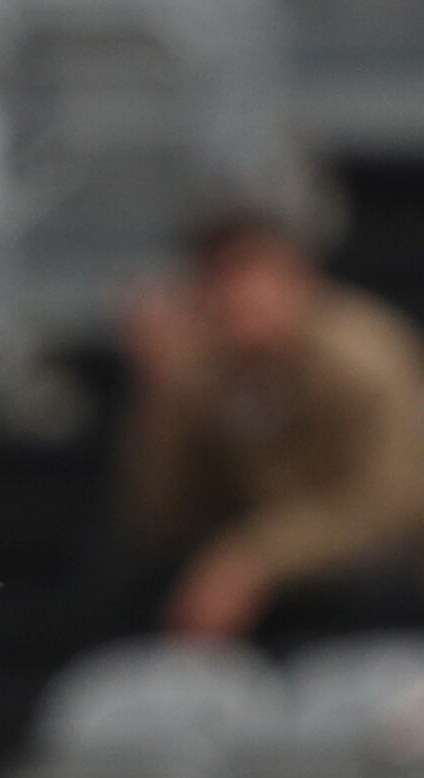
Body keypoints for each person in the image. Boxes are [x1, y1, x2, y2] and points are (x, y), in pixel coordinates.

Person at [117, 206, 424, 644]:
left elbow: (391, 506)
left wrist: (257, 557)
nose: (237, 293)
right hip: (271, 568)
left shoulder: (366, 358)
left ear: (297, 276)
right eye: (217, 275)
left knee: (372, 589)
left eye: (251, 271)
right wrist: (162, 395)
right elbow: (164, 516)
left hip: (369, 567)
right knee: (133, 576)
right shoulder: (208, 369)